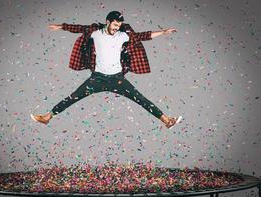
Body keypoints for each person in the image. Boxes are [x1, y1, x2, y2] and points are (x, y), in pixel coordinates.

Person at [31, 11, 182, 129]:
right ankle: (47, 117)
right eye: (115, 25)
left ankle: (167, 121)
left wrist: (163, 32)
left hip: (117, 79)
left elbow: (143, 36)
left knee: (141, 99)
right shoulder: (95, 32)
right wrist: (61, 26)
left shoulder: (123, 35)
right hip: (97, 79)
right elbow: (79, 28)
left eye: (119, 25)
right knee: (73, 97)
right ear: (108, 22)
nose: (116, 28)